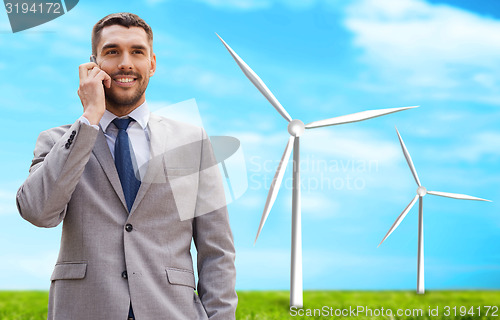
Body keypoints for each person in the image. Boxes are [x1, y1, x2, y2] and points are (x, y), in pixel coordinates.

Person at [16, 12, 237, 320]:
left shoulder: (192, 141)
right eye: (112, 51)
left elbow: (217, 252)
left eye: (137, 52)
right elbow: (37, 212)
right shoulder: (57, 141)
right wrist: (89, 117)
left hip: (171, 310)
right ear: (93, 64)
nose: (125, 63)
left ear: (152, 63)